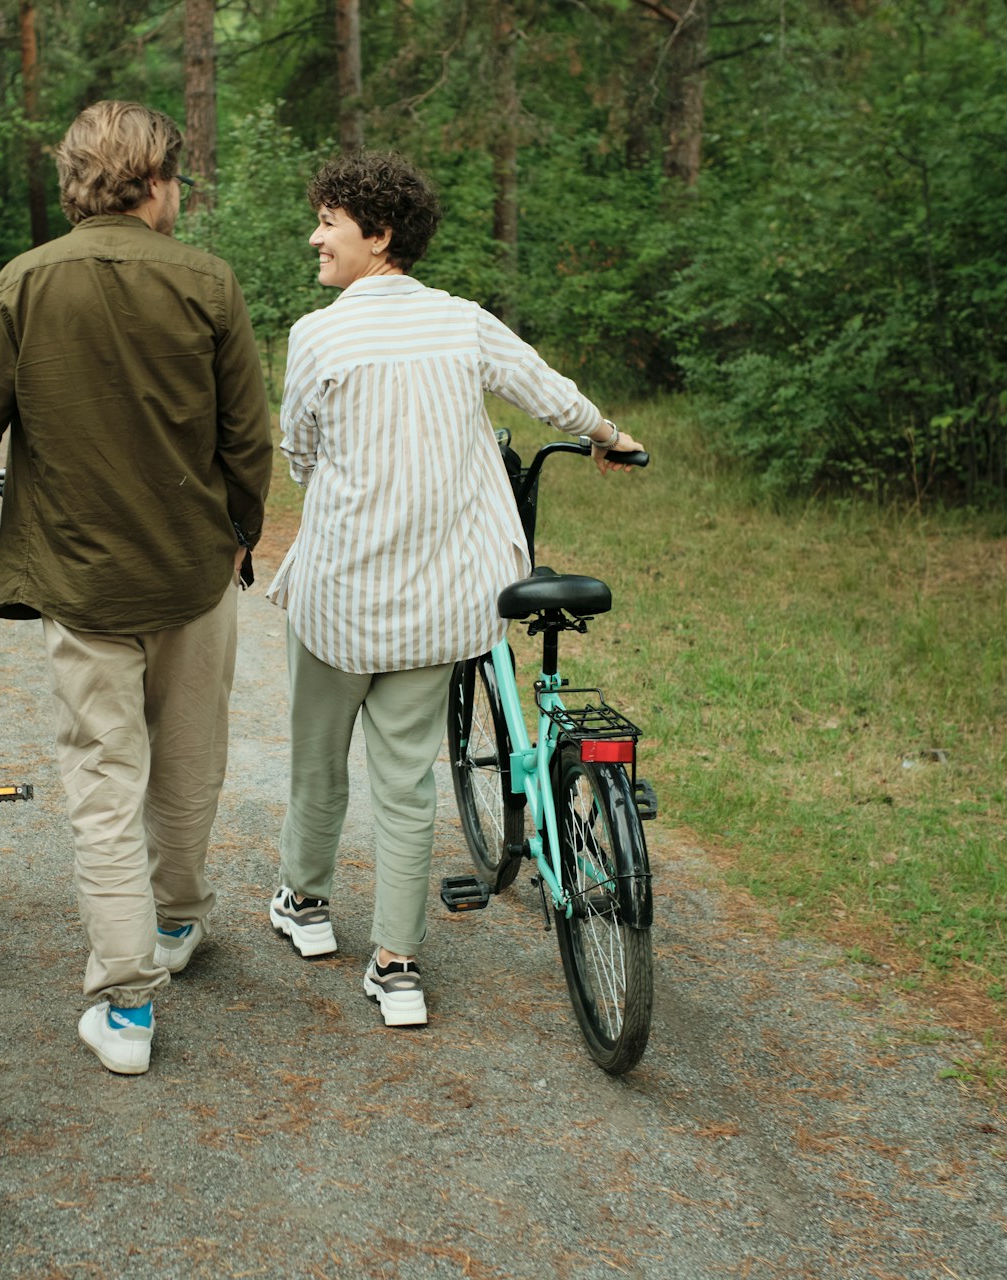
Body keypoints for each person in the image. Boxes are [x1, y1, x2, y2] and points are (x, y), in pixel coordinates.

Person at [0, 101, 274, 1075]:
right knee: (189, 761)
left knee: (105, 783)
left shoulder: (26, 282)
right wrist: (242, 530)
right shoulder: (207, 282)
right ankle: (179, 922)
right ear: (152, 182)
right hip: (192, 568)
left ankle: (125, 1003)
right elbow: (247, 439)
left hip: (80, 575)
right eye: (176, 179)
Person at [264, 150, 642, 1028]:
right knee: (407, 780)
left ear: (380, 235)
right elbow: (548, 394)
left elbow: (300, 455)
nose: (314, 235)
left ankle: (307, 907)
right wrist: (610, 435)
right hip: (437, 602)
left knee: (319, 761)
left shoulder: (316, 335)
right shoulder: (464, 323)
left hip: (338, 601)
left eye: (329, 220)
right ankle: (398, 968)